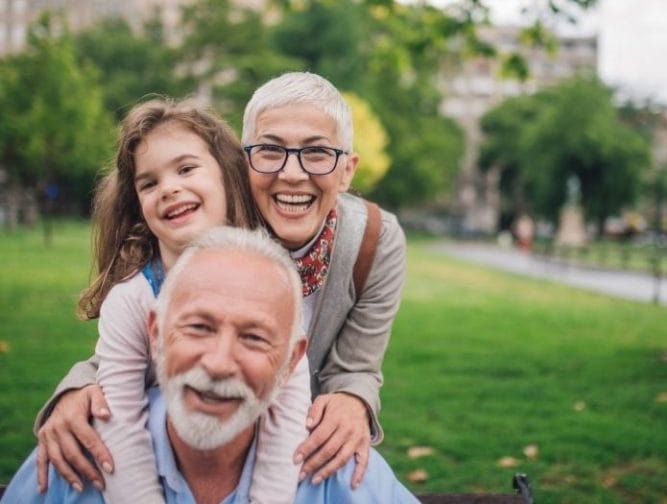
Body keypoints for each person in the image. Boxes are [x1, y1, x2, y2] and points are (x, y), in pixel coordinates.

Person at [34, 72, 407, 492]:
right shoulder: (213, 240)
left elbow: (357, 365)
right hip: (186, 444)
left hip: (294, 453)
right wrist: (76, 388)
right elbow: (144, 343)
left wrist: (353, 401)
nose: (292, 174)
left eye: (317, 153)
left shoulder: (375, 241)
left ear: (346, 170)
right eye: (270, 151)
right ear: (243, 164)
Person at [2, 227, 418, 504]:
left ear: (292, 360)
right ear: (155, 334)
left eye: (254, 337)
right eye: (199, 327)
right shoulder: (73, 456)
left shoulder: (340, 471)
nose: (219, 364)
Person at [35, 98, 311, 504]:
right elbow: (119, 422)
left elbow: (287, 416)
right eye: (149, 183)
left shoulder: (272, 287)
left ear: (227, 176)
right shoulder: (131, 300)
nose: (169, 189)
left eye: (185, 169)